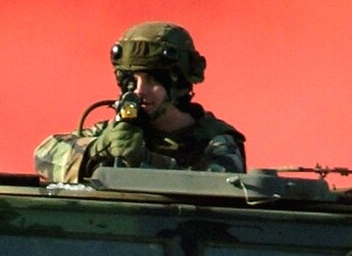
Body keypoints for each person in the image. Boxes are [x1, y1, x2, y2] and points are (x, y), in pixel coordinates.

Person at [34, 22, 246, 181]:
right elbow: (44, 155)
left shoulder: (217, 141)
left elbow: (213, 188)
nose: (139, 90)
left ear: (178, 84)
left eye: (152, 80)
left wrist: (143, 159)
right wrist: (97, 149)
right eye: (131, 80)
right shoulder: (118, 131)